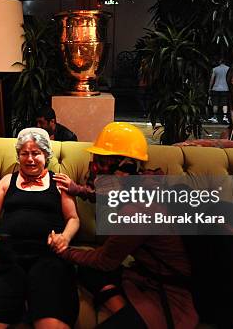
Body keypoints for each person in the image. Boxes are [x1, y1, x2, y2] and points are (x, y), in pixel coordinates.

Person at [52, 122, 198, 329]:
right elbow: (108, 193)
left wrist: (64, 252)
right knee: (86, 271)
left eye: (102, 161)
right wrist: (78, 190)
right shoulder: (145, 182)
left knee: (90, 266)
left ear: (123, 165)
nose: (95, 166)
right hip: (145, 275)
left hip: (170, 295)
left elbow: (105, 261)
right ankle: (126, 311)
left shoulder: (138, 209)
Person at [0, 128, 80, 329]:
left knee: (51, 324)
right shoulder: (8, 180)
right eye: (24, 153)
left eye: (36, 153)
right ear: (18, 156)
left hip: (48, 256)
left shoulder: (59, 182)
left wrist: (65, 238)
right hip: (8, 255)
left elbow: (73, 218)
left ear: (46, 155)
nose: (30, 159)